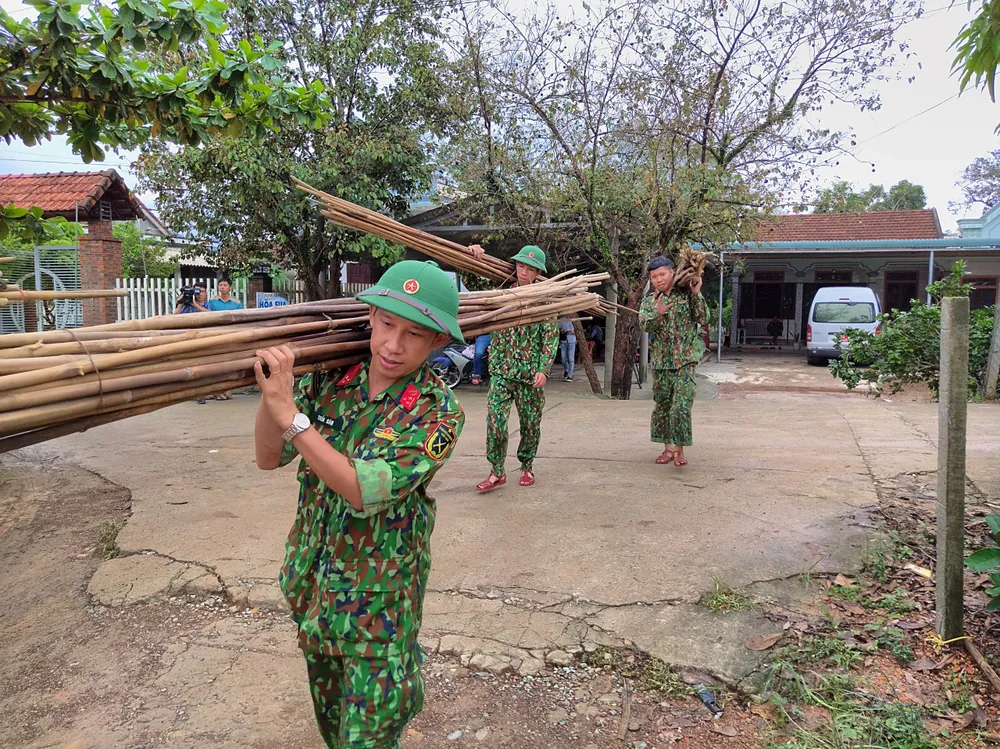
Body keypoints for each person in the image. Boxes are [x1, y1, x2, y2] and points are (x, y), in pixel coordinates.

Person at [253, 259, 465, 749]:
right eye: (387, 324)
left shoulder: (437, 412)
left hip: (379, 612)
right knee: (334, 733)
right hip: (313, 590)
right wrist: (274, 400)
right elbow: (268, 457)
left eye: (414, 334)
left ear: (437, 342)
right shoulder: (330, 379)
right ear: (369, 317)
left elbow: (363, 489)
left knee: (366, 740)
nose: (393, 345)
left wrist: (293, 418)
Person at [476, 245, 558, 492]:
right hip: (501, 370)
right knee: (495, 422)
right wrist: (475, 254)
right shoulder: (503, 293)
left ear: (537, 272)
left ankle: (527, 465)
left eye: (530, 268)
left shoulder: (545, 299)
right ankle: (496, 471)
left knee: (530, 424)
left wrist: (543, 369)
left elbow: (550, 337)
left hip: (529, 374)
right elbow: (475, 282)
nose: (523, 272)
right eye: (521, 266)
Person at [639, 254, 708, 468]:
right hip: (661, 362)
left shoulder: (687, 294)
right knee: (664, 405)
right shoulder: (650, 300)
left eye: (662, 274)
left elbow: (703, 319)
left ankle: (680, 450)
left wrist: (697, 295)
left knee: (681, 406)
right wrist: (657, 315)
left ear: (672, 272)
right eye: (654, 277)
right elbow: (643, 325)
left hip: (685, 360)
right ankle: (667, 449)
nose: (658, 279)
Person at [557, 316, 576, 382]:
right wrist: (562, 331)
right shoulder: (560, 320)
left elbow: (577, 331)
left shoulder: (574, 320)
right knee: (563, 358)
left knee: (571, 359)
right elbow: (557, 329)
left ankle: (570, 376)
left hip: (572, 340)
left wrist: (569, 332)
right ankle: (567, 369)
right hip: (564, 341)